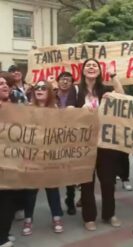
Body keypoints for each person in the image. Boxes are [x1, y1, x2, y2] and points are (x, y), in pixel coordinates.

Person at [66, 58, 124, 231]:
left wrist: (113, 75)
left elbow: (121, 96)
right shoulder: (75, 89)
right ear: (83, 71)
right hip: (84, 143)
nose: (91, 67)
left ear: (99, 71)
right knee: (86, 181)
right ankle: (89, 217)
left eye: (95, 66)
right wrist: (80, 110)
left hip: (105, 143)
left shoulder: (104, 89)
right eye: (88, 66)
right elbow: (67, 110)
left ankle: (109, 214)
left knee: (108, 181)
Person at [22, 80, 64, 236]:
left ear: (49, 92)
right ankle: (28, 219)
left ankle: (57, 216)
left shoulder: (56, 110)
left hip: (49, 156)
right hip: (32, 156)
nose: (39, 90)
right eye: (36, 88)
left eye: (43, 88)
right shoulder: (26, 109)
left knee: (52, 188)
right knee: (31, 189)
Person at [55, 72, 78, 215]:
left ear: (72, 83)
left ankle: (70, 200)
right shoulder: (50, 94)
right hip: (53, 137)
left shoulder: (75, 97)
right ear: (57, 81)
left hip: (71, 137)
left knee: (70, 171)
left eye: (68, 80)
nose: (65, 82)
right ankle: (55, 206)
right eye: (62, 80)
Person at [0, 71, 18, 247]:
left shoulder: (14, 106)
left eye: (6, 83)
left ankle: (4, 232)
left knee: (8, 201)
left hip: (10, 164)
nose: (4, 85)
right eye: (0, 84)